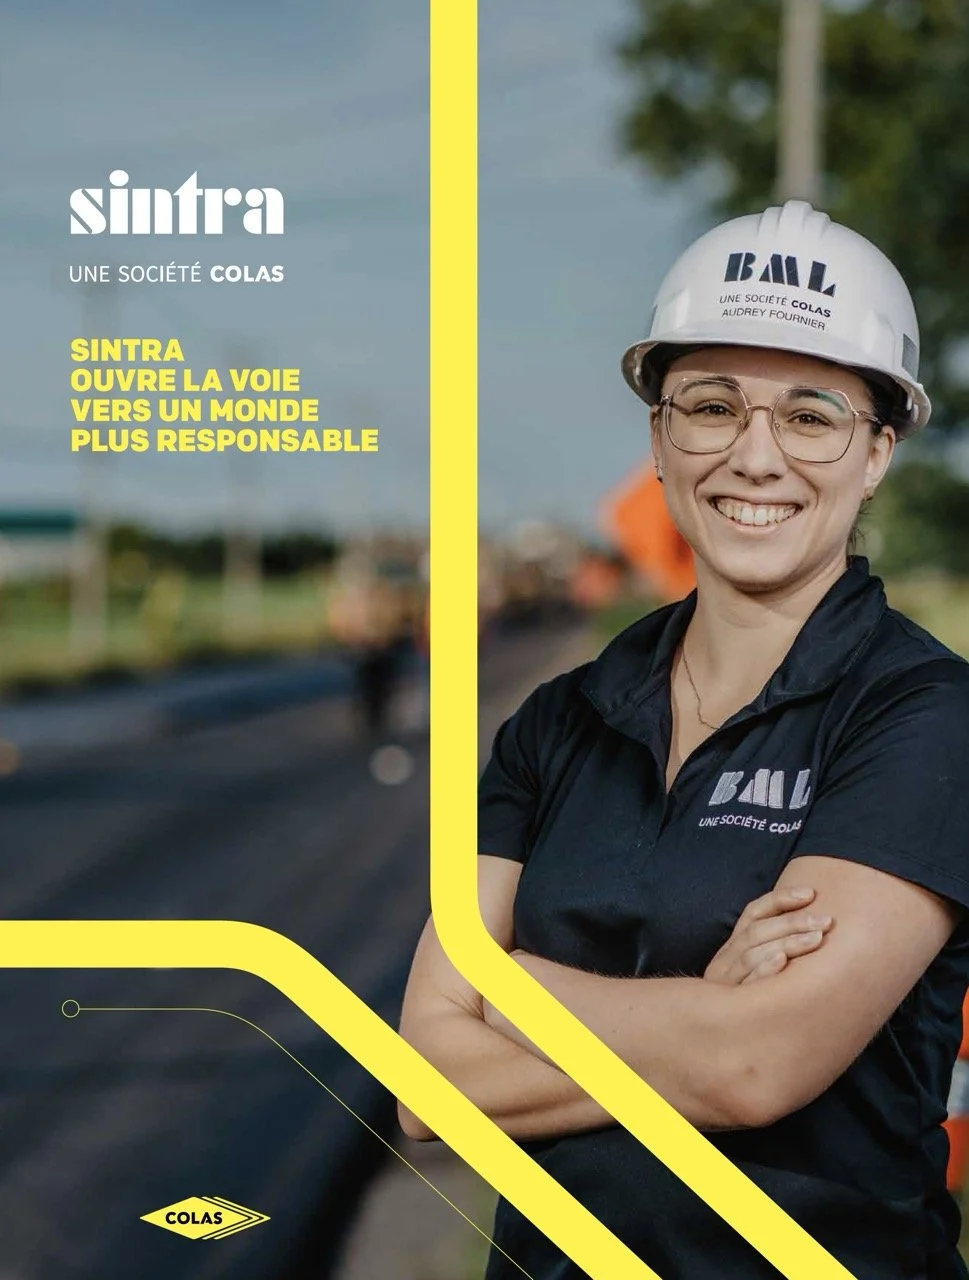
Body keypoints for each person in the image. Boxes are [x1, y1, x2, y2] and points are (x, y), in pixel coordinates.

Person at [397, 200, 969, 1279]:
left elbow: (756, 1065)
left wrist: (509, 987)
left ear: (878, 452)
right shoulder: (558, 720)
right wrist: (708, 1005)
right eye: (711, 406)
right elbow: (424, 1085)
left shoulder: (926, 715)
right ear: (659, 437)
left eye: (811, 416)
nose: (755, 456)